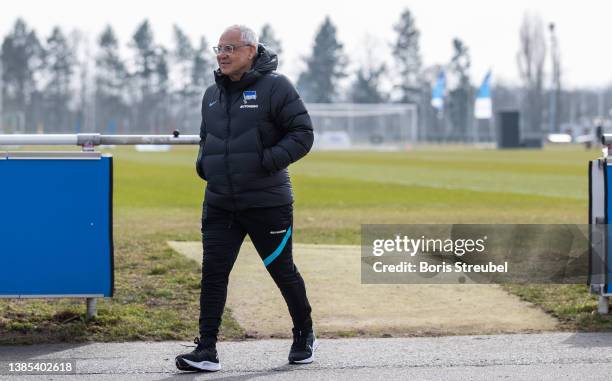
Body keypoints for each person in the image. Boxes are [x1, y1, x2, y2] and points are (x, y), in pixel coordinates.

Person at [175, 25, 316, 372]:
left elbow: (303, 134)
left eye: (230, 48)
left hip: (267, 202)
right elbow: (207, 138)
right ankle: (206, 349)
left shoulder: (277, 87)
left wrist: (265, 162)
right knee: (214, 274)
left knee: (282, 271)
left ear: (251, 51)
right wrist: (204, 165)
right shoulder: (211, 94)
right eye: (218, 48)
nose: (221, 54)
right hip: (220, 202)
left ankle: (304, 334)